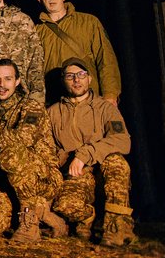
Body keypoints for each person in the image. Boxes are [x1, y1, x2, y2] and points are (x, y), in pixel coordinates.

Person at [0, 59, 66, 243]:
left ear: (17, 81)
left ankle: (29, 225)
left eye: (8, 79)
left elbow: (24, 137)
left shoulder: (31, 107)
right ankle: (46, 216)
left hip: (43, 179)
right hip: (8, 184)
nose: (1, 85)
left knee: (11, 153)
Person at [48, 57, 134, 246]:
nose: (76, 80)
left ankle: (115, 228)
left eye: (81, 75)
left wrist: (85, 154)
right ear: (63, 80)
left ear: (89, 79)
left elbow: (122, 141)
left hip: (101, 170)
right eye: (70, 76)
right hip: (77, 174)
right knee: (66, 206)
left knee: (116, 161)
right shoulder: (53, 112)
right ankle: (91, 217)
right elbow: (46, 148)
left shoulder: (105, 108)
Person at [36, 0, 121, 106]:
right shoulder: (36, 31)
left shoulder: (89, 22)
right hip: (54, 103)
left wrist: (110, 95)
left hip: (88, 100)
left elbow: (106, 59)